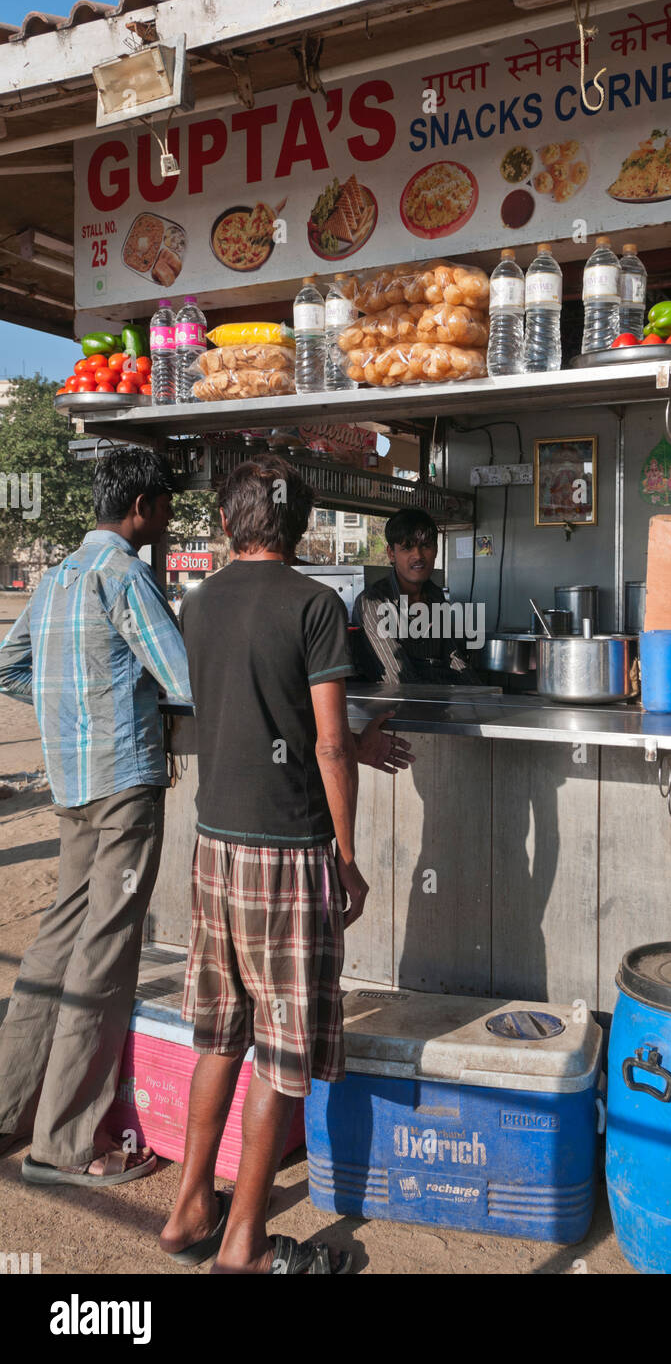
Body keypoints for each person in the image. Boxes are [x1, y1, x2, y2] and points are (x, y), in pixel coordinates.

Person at [159, 456, 410, 1274]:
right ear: (297, 527)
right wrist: (346, 855)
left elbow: (261, 715)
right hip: (287, 851)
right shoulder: (313, 604)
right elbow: (328, 742)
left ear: (230, 523)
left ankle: (191, 1207)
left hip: (213, 845)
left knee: (221, 1035)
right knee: (284, 1047)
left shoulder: (198, 602)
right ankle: (244, 1247)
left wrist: (346, 746)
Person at [0, 448, 191, 1186]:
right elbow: (183, 679)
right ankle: (67, 1143)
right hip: (122, 785)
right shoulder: (124, 574)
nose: (168, 517)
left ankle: (11, 1108)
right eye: (165, 504)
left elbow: (9, 666)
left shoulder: (55, 578)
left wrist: (72, 706)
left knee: (54, 944)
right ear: (140, 506)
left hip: (73, 783)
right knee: (105, 956)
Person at [351, 508, 482, 686]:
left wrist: (484, 697)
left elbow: (452, 656)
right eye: (407, 548)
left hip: (439, 703)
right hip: (394, 708)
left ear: (435, 550)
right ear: (391, 553)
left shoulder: (435, 596)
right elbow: (397, 677)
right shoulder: (373, 602)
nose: (418, 556)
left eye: (425, 546)